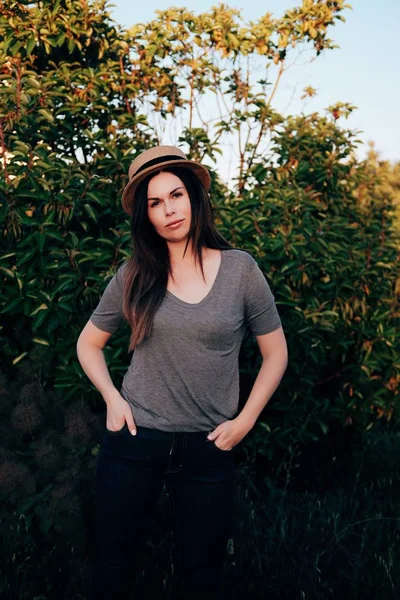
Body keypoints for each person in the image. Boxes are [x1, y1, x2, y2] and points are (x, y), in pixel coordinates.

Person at [76, 145, 288, 600]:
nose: (169, 209)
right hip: (136, 442)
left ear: (194, 197)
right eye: (155, 203)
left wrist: (244, 422)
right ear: (145, 216)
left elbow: (276, 354)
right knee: (113, 569)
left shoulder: (240, 270)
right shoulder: (134, 275)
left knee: (203, 576)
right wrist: (114, 400)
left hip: (209, 448)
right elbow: (88, 343)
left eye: (176, 195)